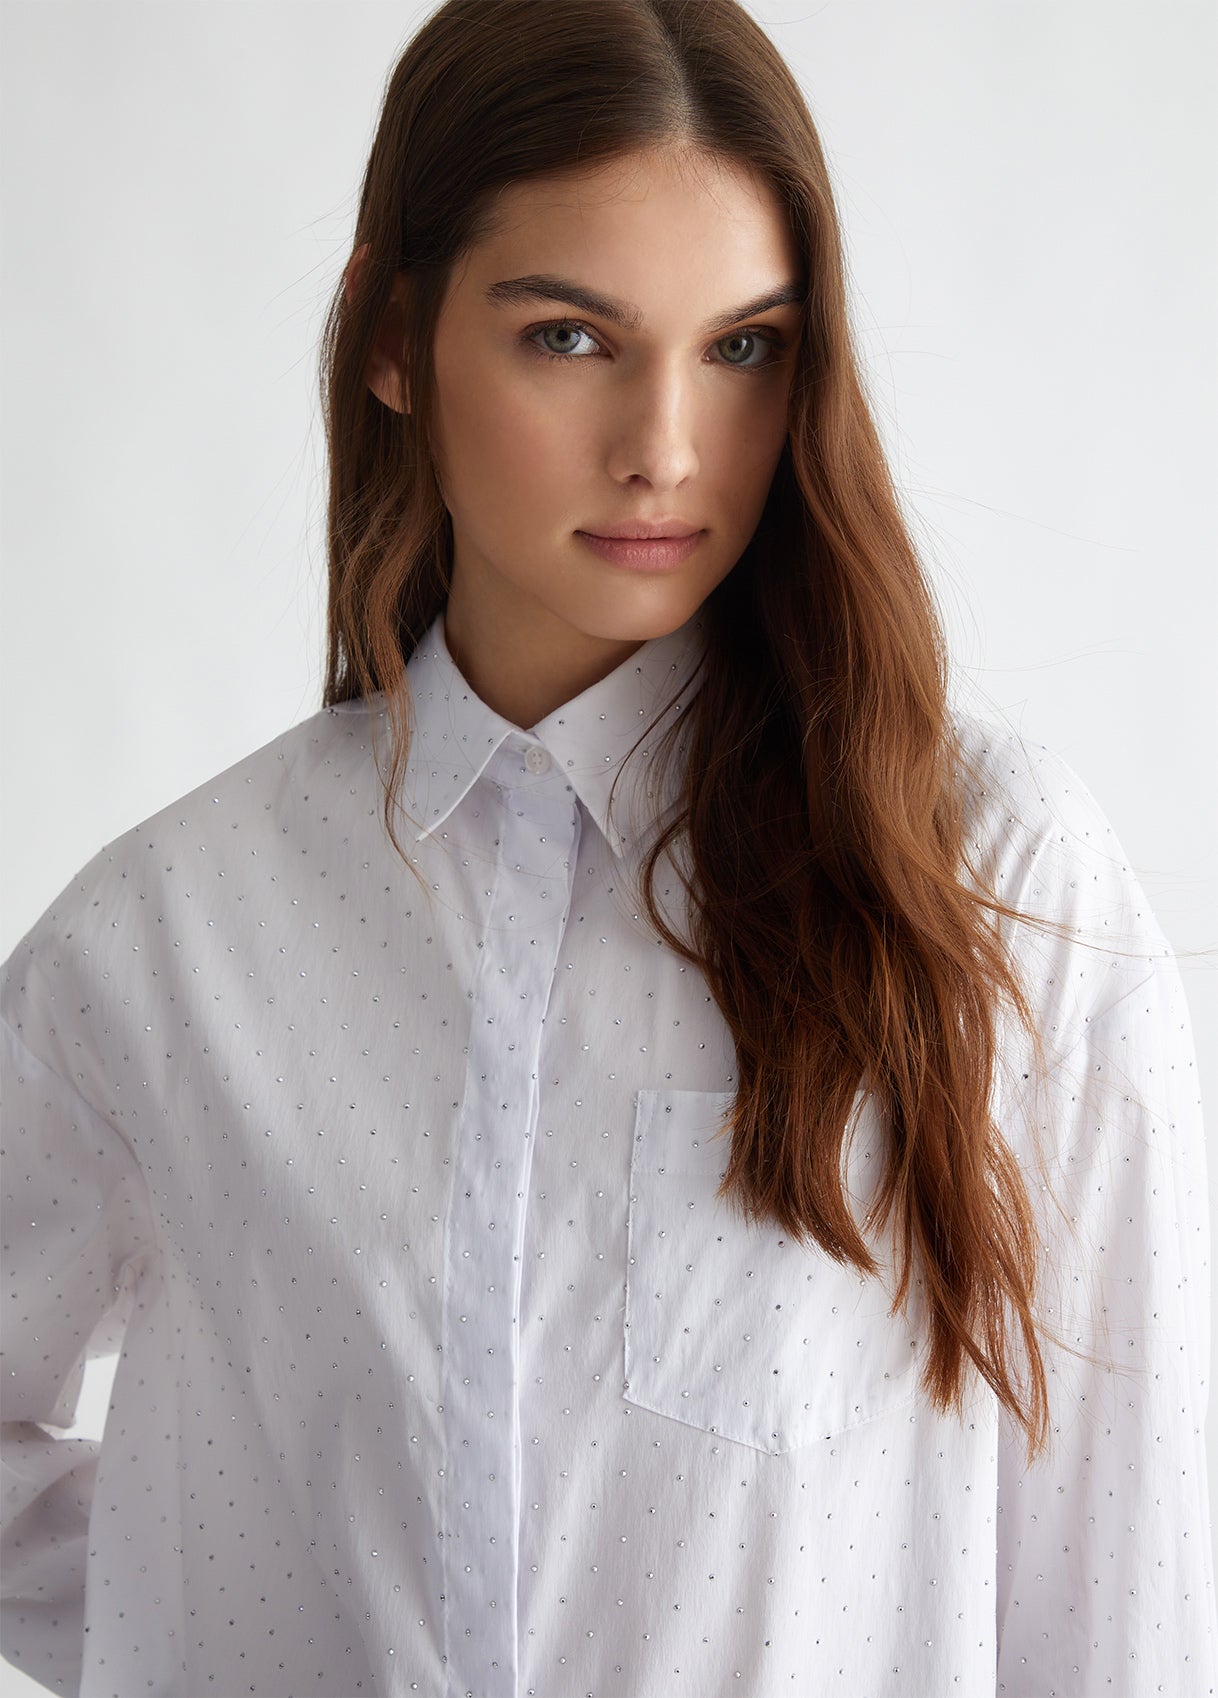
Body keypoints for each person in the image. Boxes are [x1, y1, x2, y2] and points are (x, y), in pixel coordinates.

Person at [1, 0, 1214, 1692]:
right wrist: (207, 1631)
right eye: (569, 337)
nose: (665, 448)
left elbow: (1129, 1606)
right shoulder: (168, 936)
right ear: (394, 337)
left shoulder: (990, 878)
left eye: (743, 347)